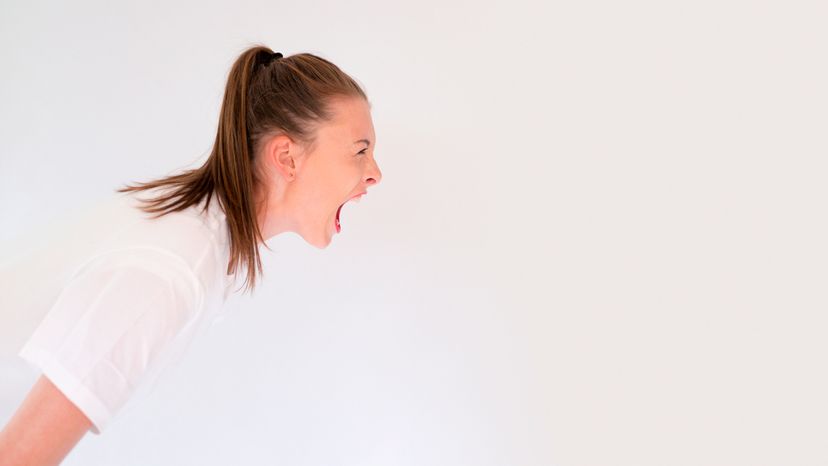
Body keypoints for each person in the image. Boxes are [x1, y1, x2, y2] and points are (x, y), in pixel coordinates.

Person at [0, 44, 382, 465]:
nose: (375, 173)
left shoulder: (199, 241)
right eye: (360, 150)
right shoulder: (173, 268)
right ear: (286, 157)